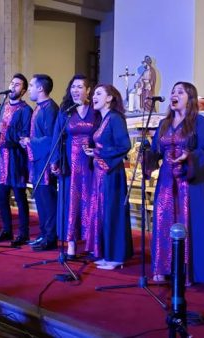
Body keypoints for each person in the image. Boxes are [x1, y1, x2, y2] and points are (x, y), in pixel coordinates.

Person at [145, 81, 204, 285]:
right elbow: (156, 151)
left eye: (180, 92)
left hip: (190, 179)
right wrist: (147, 155)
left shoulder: (200, 122)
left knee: (188, 221)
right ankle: (163, 266)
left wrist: (189, 157)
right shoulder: (164, 124)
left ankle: (188, 270)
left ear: (190, 98)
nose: (174, 95)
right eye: (173, 91)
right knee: (163, 218)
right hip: (167, 179)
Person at [83, 84, 133, 269]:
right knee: (103, 212)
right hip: (100, 173)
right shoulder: (103, 119)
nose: (94, 96)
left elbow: (124, 146)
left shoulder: (115, 118)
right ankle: (107, 252)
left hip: (111, 173)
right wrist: (93, 151)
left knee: (113, 213)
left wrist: (99, 152)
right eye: (94, 93)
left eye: (98, 93)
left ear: (110, 98)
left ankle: (117, 256)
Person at [50, 74, 96, 257]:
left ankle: (92, 243)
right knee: (72, 203)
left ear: (88, 90)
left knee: (91, 202)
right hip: (71, 164)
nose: (75, 90)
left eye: (80, 87)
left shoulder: (95, 110)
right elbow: (56, 137)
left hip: (92, 164)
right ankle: (70, 243)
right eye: (73, 87)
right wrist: (55, 161)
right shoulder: (66, 111)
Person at [0, 73, 33, 247]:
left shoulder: (25, 110)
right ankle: (6, 230)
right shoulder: (3, 106)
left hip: (16, 158)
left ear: (23, 90)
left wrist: (5, 128)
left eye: (17, 85)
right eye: (12, 83)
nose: (13, 87)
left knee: (20, 197)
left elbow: (24, 135)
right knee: (1, 197)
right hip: (2, 158)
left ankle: (23, 233)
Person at [21, 74, 59, 251]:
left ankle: (50, 238)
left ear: (41, 88)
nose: (29, 89)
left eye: (31, 86)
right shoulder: (39, 107)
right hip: (36, 161)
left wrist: (31, 142)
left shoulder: (50, 108)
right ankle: (44, 234)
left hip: (45, 162)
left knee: (48, 202)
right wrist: (27, 141)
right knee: (41, 201)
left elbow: (53, 138)